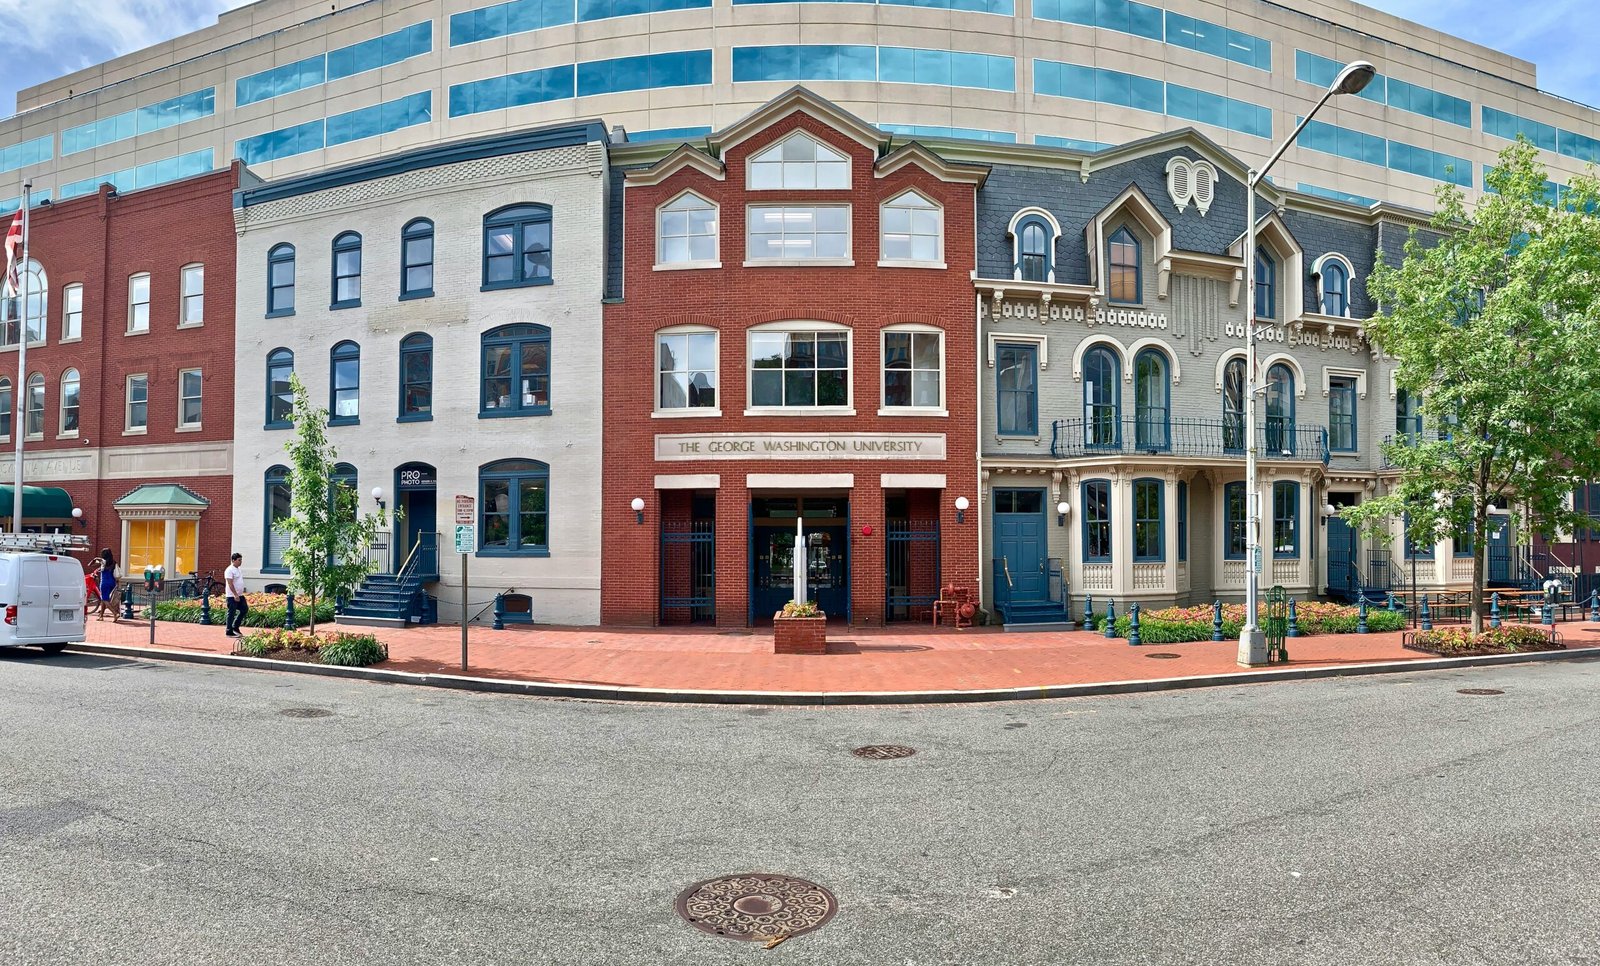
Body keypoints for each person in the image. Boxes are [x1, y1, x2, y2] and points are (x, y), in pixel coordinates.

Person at [224, 552, 248, 637]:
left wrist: (239, 594)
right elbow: (230, 583)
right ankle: (229, 631)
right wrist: (235, 595)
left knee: (244, 609)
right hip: (232, 596)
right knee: (231, 612)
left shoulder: (238, 569)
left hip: (240, 595)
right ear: (233, 560)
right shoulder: (229, 570)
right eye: (239, 560)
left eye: (241, 560)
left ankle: (235, 627)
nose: (241, 562)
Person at [97, 548, 120, 623]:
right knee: (104, 598)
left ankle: (115, 613)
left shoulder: (103, 562)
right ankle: (101, 616)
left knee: (104, 599)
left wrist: (96, 559)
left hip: (104, 582)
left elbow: (91, 564)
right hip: (112, 582)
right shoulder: (114, 562)